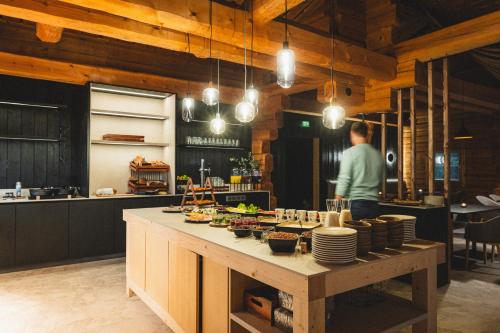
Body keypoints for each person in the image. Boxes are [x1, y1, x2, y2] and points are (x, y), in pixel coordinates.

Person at [335, 122, 384, 220]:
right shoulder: (378, 155)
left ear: (352, 134)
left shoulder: (349, 153)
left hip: (355, 205)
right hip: (374, 205)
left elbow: (344, 179)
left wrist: (336, 203)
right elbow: (381, 179)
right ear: (366, 134)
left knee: (353, 235)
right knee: (370, 234)